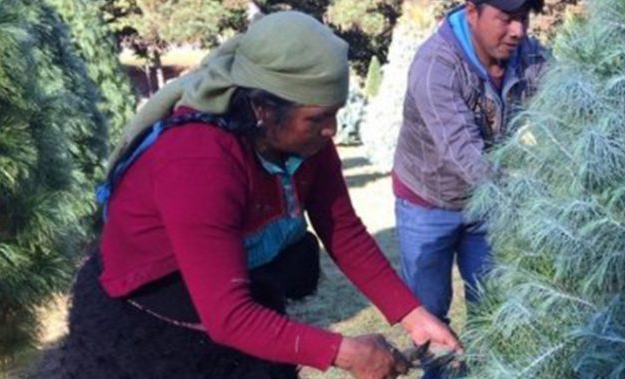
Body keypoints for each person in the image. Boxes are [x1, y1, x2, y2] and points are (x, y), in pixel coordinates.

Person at [34, 11, 459, 379]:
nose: (330, 130)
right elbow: (229, 316)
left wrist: (411, 314)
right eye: (317, 118)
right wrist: (344, 352)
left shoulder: (305, 139)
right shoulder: (197, 161)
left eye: (335, 114)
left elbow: (341, 228)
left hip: (238, 299)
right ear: (261, 108)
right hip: (146, 330)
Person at [391, 0, 547, 377]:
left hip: (484, 204)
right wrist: (531, 194)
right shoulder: (436, 67)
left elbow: (567, 97)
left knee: (492, 303)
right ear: (473, 11)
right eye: (506, 18)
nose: (519, 31)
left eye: (524, 18)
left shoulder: (526, 54)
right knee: (430, 314)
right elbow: (467, 156)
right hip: (427, 203)